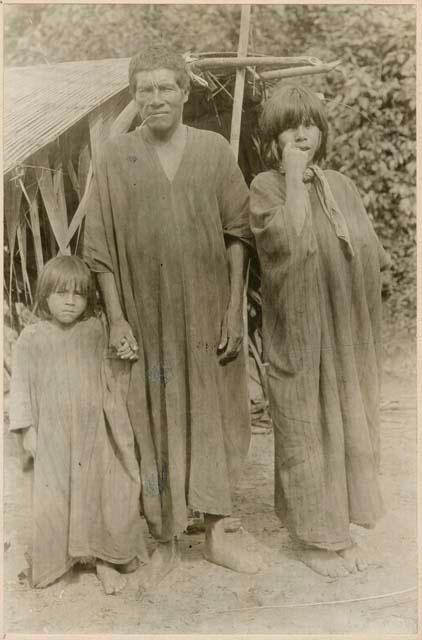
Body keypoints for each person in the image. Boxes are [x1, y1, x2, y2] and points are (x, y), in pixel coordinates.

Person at [83, 46, 260, 581]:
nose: (156, 98)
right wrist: (116, 318)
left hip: (208, 310)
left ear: (185, 92)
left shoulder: (213, 151)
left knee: (215, 416)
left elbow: (239, 234)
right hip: (146, 312)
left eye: (166, 87)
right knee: (152, 411)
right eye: (145, 89)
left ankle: (216, 534)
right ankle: (163, 537)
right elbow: (100, 249)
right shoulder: (114, 156)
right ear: (134, 97)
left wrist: (233, 309)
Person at [250, 85, 390, 578]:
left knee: (345, 420)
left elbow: (369, 254)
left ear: (323, 133)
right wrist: (290, 179)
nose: (302, 132)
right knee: (305, 423)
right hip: (300, 329)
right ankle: (313, 538)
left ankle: (339, 529)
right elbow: (286, 246)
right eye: (291, 125)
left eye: (311, 123)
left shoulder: (341, 186)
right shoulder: (266, 186)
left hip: (343, 328)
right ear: (273, 140)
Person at [9, 256, 145, 593]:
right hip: (52, 437)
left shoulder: (95, 330)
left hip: (93, 434)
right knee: (55, 498)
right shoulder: (31, 337)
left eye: (78, 294)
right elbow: (21, 386)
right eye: (61, 293)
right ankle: (59, 561)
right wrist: (26, 430)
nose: (70, 301)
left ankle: (103, 560)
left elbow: (115, 369)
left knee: (98, 493)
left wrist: (125, 355)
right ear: (44, 294)